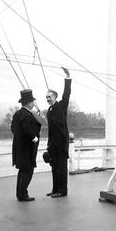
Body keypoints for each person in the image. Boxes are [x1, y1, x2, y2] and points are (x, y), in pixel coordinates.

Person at [11, 89, 42, 202]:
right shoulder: (26, 115)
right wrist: (34, 138)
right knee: (28, 171)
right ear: (29, 103)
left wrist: (20, 138)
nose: (33, 103)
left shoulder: (17, 113)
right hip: (27, 149)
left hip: (19, 147)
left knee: (22, 171)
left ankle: (20, 193)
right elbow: (27, 128)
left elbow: (13, 129)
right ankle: (23, 195)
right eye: (32, 101)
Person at [46, 67, 72, 198]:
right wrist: (48, 144)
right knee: (54, 168)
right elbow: (50, 130)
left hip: (61, 144)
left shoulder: (62, 105)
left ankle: (63, 191)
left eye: (50, 97)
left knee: (61, 168)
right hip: (53, 145)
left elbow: (67, 93)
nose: (48, 99)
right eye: (46, 97)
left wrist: (67, 77)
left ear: (55, 97)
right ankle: (55, 189)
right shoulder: (49, 111)